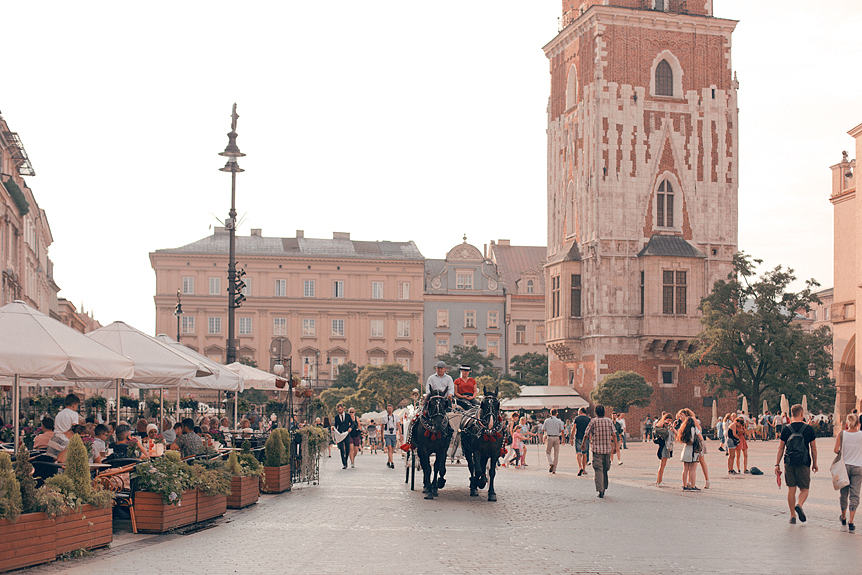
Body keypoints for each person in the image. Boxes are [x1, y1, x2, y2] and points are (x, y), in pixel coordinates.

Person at [775, 404, 818, 524]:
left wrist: (777, 464)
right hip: (804, 462)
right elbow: (813, 448)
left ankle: (792, 516)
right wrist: (815, 463)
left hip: (789, 462)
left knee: (791, 489)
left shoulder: (786, 429)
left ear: (791, 414)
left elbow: (781, 447)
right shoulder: (808, 429)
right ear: (801, 414)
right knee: (804, 489)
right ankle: (799, 504)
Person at [582, 405, 618, 498]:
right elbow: (614, 434)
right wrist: (616, 447)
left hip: (597, 450)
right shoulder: (609, 421)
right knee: (605, 469)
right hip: (607, 450)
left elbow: (587, 433)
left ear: (596, 412)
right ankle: (604, 487)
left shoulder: (593, 421)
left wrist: (583, 443)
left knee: (598, 469)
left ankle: (600, 489)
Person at [836, 413, 862, 532]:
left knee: (844, 493)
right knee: (855, 494)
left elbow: (836, 450)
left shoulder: (841, 434)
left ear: (847, 423)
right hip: (858, 467)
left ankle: (844, 516)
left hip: (844, 467)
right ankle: (851, 521)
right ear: (857, 423)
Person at [46, 393, 81, 463]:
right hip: (66, 440)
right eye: (77, 405)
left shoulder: (59, 414)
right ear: (74, 405)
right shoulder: (74, 414)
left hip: (55, 439)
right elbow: (75, 427)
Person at [678, 416, 700, 491]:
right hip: (693, 449)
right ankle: (693, 486)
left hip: (686, 448)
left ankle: (684, 485)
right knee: (692, 469)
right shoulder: (695, 429)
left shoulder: (683, 429)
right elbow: (701, 438)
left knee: (685, 469)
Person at [654, 413, 674, 487]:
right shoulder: (661, 424)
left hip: (665, 446)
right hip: (664, 446)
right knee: (662, 465)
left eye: (670, 421)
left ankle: (659, 481)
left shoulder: (665, 426)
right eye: (668, 420)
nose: (669, 422)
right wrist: (665, 422)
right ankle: (659, 481)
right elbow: (656, 426)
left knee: (663, 465)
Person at [542, 408, 565, 473]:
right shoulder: (559, 421)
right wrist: (563, 440)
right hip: (557, 437)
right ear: (556, 413)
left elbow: (543, 429)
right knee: (556, 454)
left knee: (548, 452)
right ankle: (554, 469)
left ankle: (550, 462)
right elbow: (562, 431)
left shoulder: (547, 420)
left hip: (550, 437)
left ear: (550, 413)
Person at [573, 408, 591, 476]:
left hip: (578, 437)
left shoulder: (577, 418)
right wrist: (591, 438)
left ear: (580, 411)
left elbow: (574, 428)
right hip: (586, 437)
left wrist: (571, 437)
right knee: (584, 453)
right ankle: (583, 469)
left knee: (578, 453)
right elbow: (590, 428)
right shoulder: (588, 419)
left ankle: (579, 467)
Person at [333, 404, 351, 469]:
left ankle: (345, 460)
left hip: (346, 434)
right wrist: (334, 428)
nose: (339, 411)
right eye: (338, 410)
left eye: (340, 409)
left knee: (347, 449)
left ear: (343, 408)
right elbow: (336, 425)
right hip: (340, 434)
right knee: (341, 449)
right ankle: (344, 464)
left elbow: (352, 423)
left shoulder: (348, 416)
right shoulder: (336, 417)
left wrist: (350, 428)